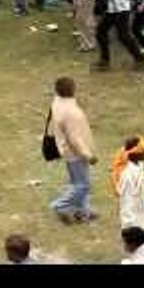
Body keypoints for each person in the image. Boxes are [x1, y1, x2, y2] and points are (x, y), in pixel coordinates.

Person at [48, 77, 98, 224]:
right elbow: (74, 138)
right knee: (82, 185)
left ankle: (83, 211)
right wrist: (88, 155)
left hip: (66, 150)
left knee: (77, 182)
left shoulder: (57, 104)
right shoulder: (71, 113)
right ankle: (60, 205)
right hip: (75, 153)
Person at [111, 136, 144, 231]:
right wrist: (129, 226)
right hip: (133, 226)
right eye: (143, 151)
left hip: (143, 219)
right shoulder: (127, 175)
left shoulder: (139, 166)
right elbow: (126, 203)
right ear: (134, 154)